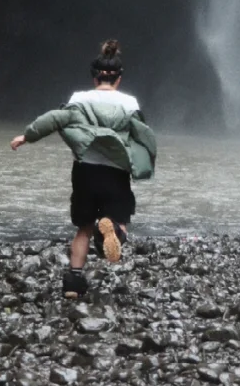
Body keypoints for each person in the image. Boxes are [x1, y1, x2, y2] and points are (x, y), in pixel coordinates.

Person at [10, 39, 157, 297]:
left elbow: (54, 118)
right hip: (115, 173)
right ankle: (111, 230)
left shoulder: (79, 99)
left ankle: (73, 283)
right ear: (119, 78)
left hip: (85, 172)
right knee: (119, 219)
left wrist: (27, 136)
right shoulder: (130, 103)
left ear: (94, 77)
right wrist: (144, 161)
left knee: (83, 227)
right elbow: (142, 135)